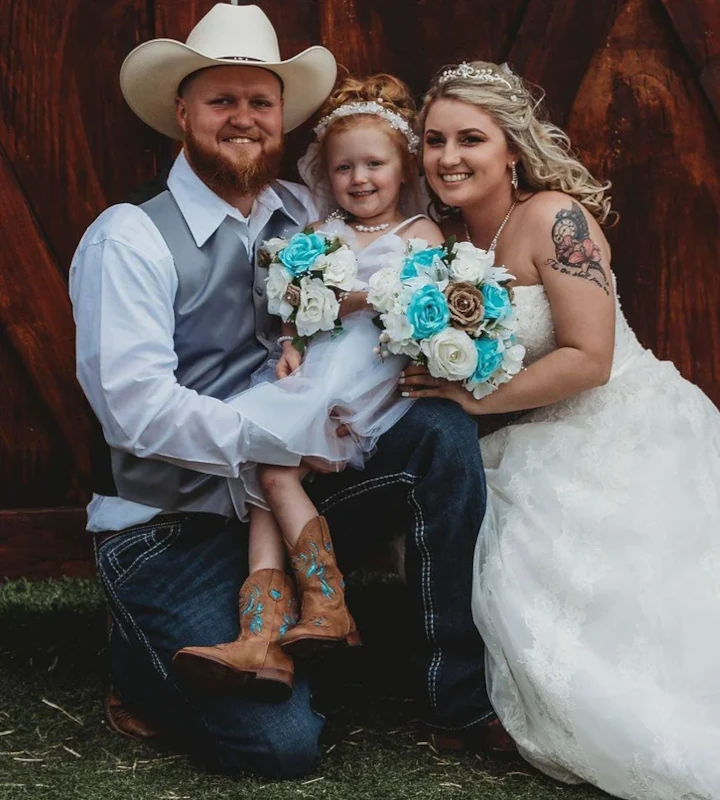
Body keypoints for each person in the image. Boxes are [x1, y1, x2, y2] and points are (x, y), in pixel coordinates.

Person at [68, 3, 501, 776]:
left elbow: (380, 279)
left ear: (280, 117)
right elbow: (133, 410)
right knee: (279, 746)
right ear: (182, 111)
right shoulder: (127, 238)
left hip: (299, 483)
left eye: (259, 102)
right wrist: (283, 442)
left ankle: (457, 699)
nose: (243, 118)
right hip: (176, 521)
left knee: (440, 433)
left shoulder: (306, 213)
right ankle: (143, 657)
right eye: (221, 100)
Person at [400, 60, 720, 798]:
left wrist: (469, 402)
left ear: (511, 149)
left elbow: (590, 358)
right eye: (434, 140)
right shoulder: (447, 243)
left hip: (622, 424)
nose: (449, 157)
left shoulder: (556, 217)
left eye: (470, 139)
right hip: (528, 427)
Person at [172, 73, 445, 702]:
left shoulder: (419, 236)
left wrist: (334, 297)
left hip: (365, 380)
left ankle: (324, 604)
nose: (360, 179)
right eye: (344, 167)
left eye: (375, 164)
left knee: (271, 473)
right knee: (268, 476)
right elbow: (296, 309)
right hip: (316, 370)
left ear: (403, 170)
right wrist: (295, 335)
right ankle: (264, 636)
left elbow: (406, 303)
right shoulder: (322, 232)